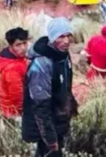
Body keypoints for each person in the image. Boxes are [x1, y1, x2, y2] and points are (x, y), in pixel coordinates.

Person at [23, 17, 78, 157]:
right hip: (46, 124)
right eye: (61, 36)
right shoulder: (41, 64)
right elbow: (40, 105)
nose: (66, 41)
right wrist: (50, 138)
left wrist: (70, 108)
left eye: (68, 35)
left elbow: (65, 87)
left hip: (58, 119)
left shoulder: (63, 56)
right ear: (53, 38)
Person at [0, 27, 30, 118]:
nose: (23, 48)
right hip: (15, 113)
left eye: (24, 43)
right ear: (10, 46)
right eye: (18, 45)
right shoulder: (12, 68)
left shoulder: (16, 59)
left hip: (10, 110)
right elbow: (17, 96)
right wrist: (23, 113)